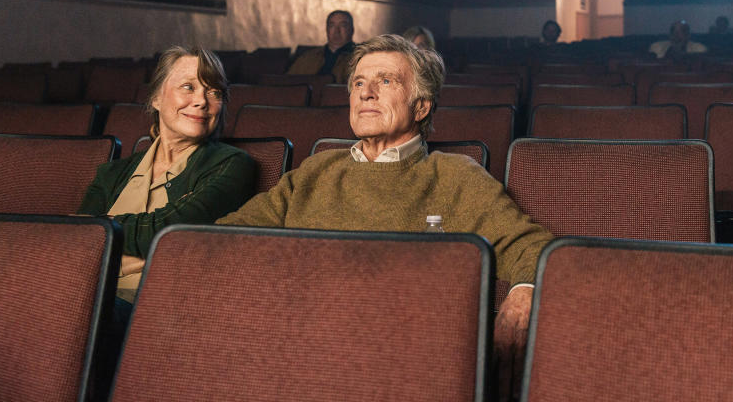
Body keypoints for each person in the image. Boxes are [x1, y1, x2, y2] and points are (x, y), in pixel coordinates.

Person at [217, 34, 552, 396]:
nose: (366, 93)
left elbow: (532, 249)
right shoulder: (317, 170)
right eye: (359, 82)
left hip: (399, 360)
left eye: (386, 81)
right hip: (300, 348)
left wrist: (525, 290)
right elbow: (226, 237)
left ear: (421, 107)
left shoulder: (456, 176)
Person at [78, 46, 258, 303]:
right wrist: (133, 257)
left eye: (214, 91)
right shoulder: (112, 173)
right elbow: (76, 239)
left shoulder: (232, 164)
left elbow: (167, 232)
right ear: (157, 98)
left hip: (156, 303)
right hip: (84, 293)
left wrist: (106, 251)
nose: (202, 101)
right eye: (188, 86)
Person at [286, 9, 356, 81]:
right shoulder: (308, 57)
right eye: (332, 25)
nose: (337, 31)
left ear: (352, 30)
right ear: (327, 29)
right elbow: (287, 81)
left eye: (343, 26)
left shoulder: (359, 57)